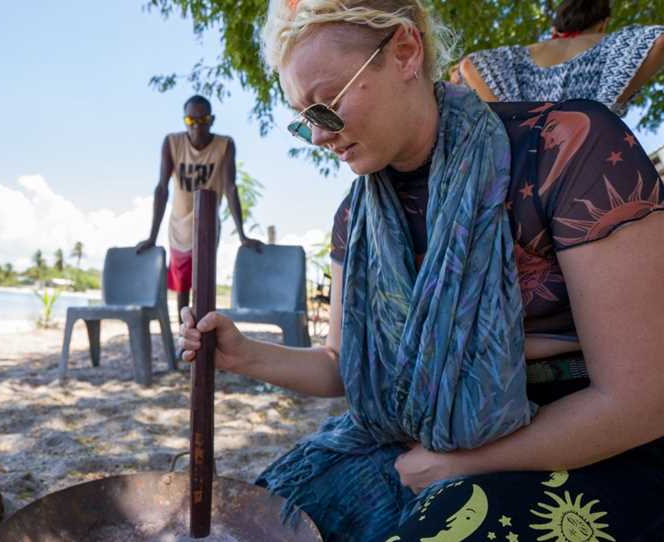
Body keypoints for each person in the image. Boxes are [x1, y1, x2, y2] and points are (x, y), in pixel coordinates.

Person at [180, 0, 664, 540]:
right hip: (422, 430)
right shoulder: (358, 216)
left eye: (326, 105)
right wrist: (245, 354)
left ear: (406, 52)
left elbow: (641, 402)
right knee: (261, 517)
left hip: (592, 440)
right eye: (303, 120)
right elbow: (344, 365)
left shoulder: (565, 150)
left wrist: (461, 465)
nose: (318, 136)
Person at [137, 95, 263, 320]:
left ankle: (203, 336)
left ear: (211, 119)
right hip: (179, 224)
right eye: (190, 120)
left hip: (207, 223)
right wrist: (151, 237)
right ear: (184, 120)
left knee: (203, 281)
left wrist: (242, 235)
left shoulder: (224, 145)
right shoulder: (172, 143)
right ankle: (183, 335)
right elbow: (162, 189)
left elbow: (230, 188)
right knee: (182, 284)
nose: (196, 125)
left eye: (202, 119)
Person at [460, 0, 664, 115]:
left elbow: (470, 65)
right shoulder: (611, 45)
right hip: (590, 165)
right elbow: (660, 41)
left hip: (532, 172)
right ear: (603, 22)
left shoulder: (518, 56)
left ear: (555, 28)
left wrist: (512, 121)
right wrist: (607, 102)